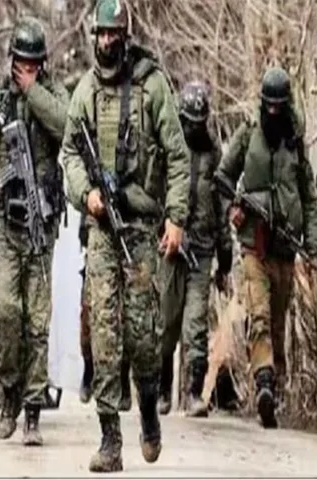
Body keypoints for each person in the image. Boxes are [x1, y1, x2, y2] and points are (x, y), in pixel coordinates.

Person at [61, 0, 191, 472]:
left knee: (142, 337)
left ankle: (150, 411)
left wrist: (176, 218)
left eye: (114, 34)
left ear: (125, 36)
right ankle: (109, 438)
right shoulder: (86, 91)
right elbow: (69, 154)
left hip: (140, 230)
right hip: (101, 230)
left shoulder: (152, 87)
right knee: (104, 334)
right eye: (101, 33)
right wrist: (87, 194)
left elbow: (178, 157)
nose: (107, 41)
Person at [0, 15, 69, 446]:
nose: (25, 70)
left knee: (37, 322)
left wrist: (33, 92)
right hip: (7, 227)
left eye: (33, 64)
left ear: (42, 65)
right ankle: (8, 390)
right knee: (5, 313)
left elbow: (65, 125)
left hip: (41, 227)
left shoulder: (54, 95)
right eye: (20, 63)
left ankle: (32, 411)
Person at [214, 66, 317, 429]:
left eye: (279, 106)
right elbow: (223, 176)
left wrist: (313, 245)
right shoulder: (248, 134)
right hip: (254, 245)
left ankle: (275, 388)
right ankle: (262, 381)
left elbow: (309, 198)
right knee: (258, 314)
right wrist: (234, 207)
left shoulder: (296, 142)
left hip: (286, 247)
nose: (273, 112)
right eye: (268, 106)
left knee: (277, 323)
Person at [157, 80, 233, 417]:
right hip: (170, 247)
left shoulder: (213, 153)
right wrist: (162, 229)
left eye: (198, 123)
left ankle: (192, 393)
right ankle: (163, 389)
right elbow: (154, 193)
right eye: (189, 122)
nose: (193, 129)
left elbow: (221, 205)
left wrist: (225, 255)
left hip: (202, 248)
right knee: (166, 322)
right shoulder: (167, 147)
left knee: (195, 323)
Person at [78, 213, 132, 411]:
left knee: (127, 318)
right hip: (98, 239)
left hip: (130, 241)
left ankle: (123, 378)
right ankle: (89, 369)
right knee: (90, 316)